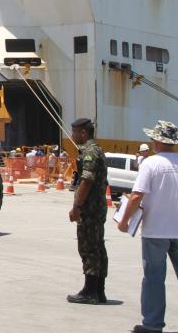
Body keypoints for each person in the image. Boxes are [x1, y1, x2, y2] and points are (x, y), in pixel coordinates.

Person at [118, 120, 178, 333]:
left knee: (154, 278)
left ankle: (152, 324)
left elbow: (136, 196)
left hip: (155, 231)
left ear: (157, 141)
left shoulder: (151, 164)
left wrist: (124, 222)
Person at [67, 117, 110, 305]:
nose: (73, 135)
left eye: (75, 132)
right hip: (97, 208)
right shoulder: (97, 150)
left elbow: (86, 180)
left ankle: (90, 291)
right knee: (98, 247)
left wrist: (76, 207)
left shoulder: (90, 153)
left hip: (89, 209)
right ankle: (98, 291)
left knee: (89, 248)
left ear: (83, 133)